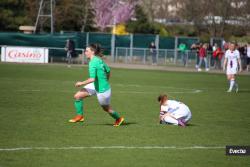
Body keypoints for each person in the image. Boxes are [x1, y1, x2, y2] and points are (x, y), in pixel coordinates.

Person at [69, 44, 124, 127]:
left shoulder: (93, 63)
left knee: (106, 109)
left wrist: (81, 83)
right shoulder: (98, 60)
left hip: (102, 89)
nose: (85, 52)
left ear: (93, 52)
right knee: (77, 96)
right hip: (96, 85)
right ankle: (80, 116)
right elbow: (108, 71)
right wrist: (105, 80)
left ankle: (118, 119)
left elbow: (92, 79)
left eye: (87, 51)